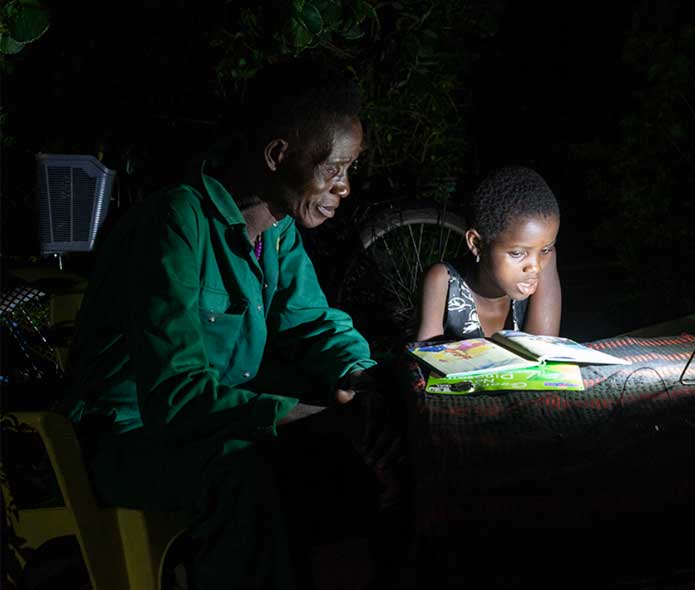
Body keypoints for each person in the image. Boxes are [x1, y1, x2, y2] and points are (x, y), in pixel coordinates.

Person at [66, 58, 403, 589]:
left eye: (348, 171)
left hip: (206, 423)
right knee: (246, 473)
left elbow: (312, 322)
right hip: (129, 439)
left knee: (355, 452)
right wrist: (306, 413)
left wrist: (365, 378)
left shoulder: (277, 229)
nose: (344, 187)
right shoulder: (175, 222)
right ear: (277, 155)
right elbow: (176, 397)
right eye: (334, 169)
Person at [415, 165, 562, 341]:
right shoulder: (443, 281)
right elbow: (426, 360)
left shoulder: (542, 264)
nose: (535, 267)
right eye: (517, 253)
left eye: (545, 250)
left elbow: (542, 347)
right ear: (477, 243)